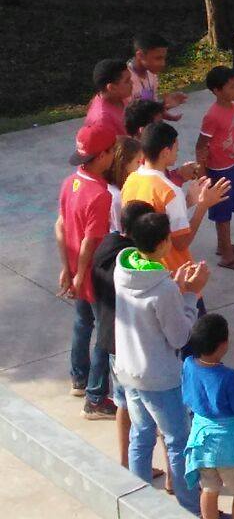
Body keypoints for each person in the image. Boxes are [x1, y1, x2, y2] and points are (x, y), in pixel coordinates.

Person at [113, 211, 208, 515]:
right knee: (178, 441)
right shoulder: (163, 288)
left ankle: (138, 503)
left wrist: (175, 289)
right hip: (159, 378)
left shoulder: (124, 267)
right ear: (165, 242)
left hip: (129, 371)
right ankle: (190, 507)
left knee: (140, 436)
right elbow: (179, 338)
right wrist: (190, 295)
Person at [93, 201, 164, 477]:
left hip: (110, 339)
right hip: (129, 346)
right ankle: (142, 469)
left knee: (123, 402)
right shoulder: (130, 264)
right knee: (146, 414)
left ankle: (125, 461)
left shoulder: (107, 246)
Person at [58, 122, 118, 418]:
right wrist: (82, 274)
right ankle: (96, 397)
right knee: (105, 334)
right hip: (95, 273)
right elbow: (89, 242)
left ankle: (78, 379)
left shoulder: (71, 183)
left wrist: (67, 270)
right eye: (111, 151)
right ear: (102, 156)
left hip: (76, 270)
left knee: (82, 324)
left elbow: (60, 228)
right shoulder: (101, 194)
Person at [123, 122, 230, 273]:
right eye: (176, 149)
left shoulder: (131, 180)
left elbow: (155, 216)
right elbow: (181, 243)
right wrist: (202, 206)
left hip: (145, 269)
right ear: (165, 152)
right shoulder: (171, 192)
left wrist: (186, 202)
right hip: (174, 275)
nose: (177, 152)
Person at [181, 313, 234, 519]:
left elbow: (203, 384)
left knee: (209, 489)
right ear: (223, 344)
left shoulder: (188, 364)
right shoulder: (229, 377)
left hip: (202, 441)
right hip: (229, 445)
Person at [197, 67, 234, 272]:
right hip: (218, 171)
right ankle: (227, 256)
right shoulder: (212, 116)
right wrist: (203, 176)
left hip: (233, 165)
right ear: (217, 91)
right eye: (231, 87)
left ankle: (224, 245)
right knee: (222, 213)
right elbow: (201, 146)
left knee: (231, 206)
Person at [129, 33, 187, 119]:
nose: (163, 63)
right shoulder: (124, 80)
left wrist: (164, 108)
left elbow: (151, 108)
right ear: (140, 55)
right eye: (158, 58)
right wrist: (162, 106)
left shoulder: (152, 75)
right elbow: (129, 116)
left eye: (164, 58)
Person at [104, 137, 144, 233]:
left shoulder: (111, 186)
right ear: (123, 165)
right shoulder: (117, 198)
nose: (142, 166)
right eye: (138, 162)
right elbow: (122, 231)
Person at [86, 58, 133, 136]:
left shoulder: (119, 98)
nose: (132, 83)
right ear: (111, 88)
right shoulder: (102, 119)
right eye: (127, 81)